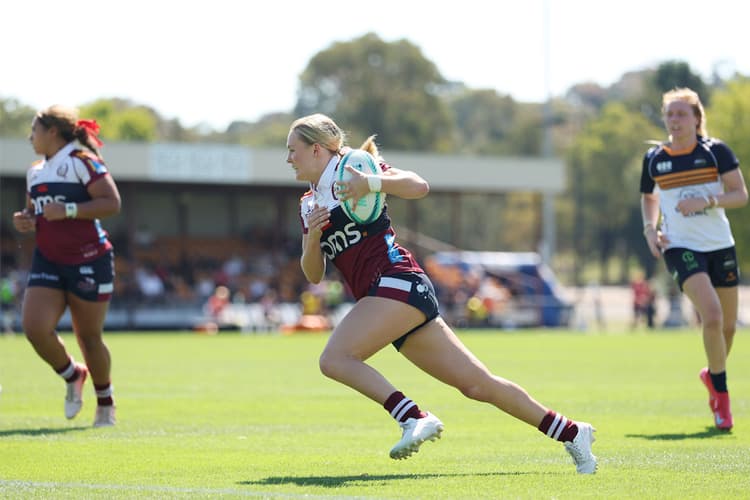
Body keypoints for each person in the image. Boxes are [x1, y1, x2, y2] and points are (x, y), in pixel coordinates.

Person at [286, 113, 597, 473]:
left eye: (292, 150)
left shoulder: (354, 166)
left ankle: (413, 417)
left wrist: (371, 183)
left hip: (398, 280)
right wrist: (310, 238)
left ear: (316, 149)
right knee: (478, 386)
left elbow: (418, 185)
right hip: (387, 298)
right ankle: (572, 432)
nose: (288, 159)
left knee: (334, 359)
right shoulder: (307, 204)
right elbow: (313, 274)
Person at [640, 87, 748, 431]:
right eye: (670, 114)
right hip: (680, 247)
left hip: (720, 246)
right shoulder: (655, 158)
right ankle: (722, 401)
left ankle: (711, 375)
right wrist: (649, 229)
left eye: (681, 114)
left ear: (697, 118)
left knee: (727, 328)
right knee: (711, 316)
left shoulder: (717, 152)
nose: (674, 120)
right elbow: (649, 197)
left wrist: (707, 201)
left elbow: (740, 195)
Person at [12, 105, 121, 427]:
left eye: (34, 130)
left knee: (88, 337)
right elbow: (39, 212)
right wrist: (26, 220)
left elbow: (112, 203)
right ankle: (73, 374)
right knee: (34, 328)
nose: (30, 137)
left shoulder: (82, 161)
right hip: (48, 259)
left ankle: (105, 401)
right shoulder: (35, 170)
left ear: (52, 132)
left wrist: (71, 209)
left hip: (90, 259)